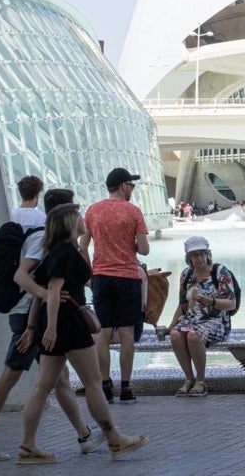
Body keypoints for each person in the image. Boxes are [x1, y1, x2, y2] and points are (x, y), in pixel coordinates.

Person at [0, 181, 101, 462]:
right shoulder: (42, 240)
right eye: (77, 211)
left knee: (57, 378)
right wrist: (44, 300)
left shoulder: (51, 238)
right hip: (27, 317)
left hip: (31, 317)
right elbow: (22, 276)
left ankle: (85, 435)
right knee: (11, 376)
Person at [17, 203, 147, 464]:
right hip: (68, 323)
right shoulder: (65, 251)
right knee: (92, 383)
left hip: (55, 322)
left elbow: (41, 295)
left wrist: (34, 328)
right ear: (68, 222)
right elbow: (53, 290)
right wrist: (51, 328)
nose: (81, 218)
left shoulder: (54, 250)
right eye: (77, 215)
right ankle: (114, 439)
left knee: (43, 386)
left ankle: (27, 446)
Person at [78, 167, 150, 404]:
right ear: (123, 186)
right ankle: (126, 387)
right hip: (128, 278)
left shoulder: (93, 211)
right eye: (131, 185)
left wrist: (89, 275)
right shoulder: (133, 212)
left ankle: (106, 384)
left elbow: (83, 245)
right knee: (127, 332)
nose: (132, 189)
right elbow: (144, 249)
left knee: (104, 333)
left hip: (101, 278)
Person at [158, 235, 236, 397]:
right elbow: (183, 305)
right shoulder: (187, 275)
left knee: (193, 336)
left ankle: (201, 380)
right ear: (189, 258)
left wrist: (211, 301)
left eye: (202, 254)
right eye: (195, 255)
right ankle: (189, 379)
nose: (199, 258)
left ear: (208, 254)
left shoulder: (219, 272)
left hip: (216, 321)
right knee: (175, 335)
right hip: (191, 320)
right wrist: (171, 326)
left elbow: (231, 304)